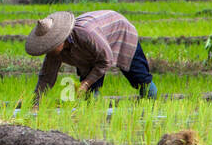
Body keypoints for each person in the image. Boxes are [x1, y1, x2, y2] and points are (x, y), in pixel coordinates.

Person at [26, 9, 157, 102]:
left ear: (60, 39)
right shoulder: (54, 52)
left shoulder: (86, 35)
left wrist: (85, 83)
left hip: (120, 32)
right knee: (90, 93)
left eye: (51, 44)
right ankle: (93, 116)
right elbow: (46, 78)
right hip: (91, 54)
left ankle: (152, 110)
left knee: (142, 80)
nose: (49, 49)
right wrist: (35, 102)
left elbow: (106, 60)